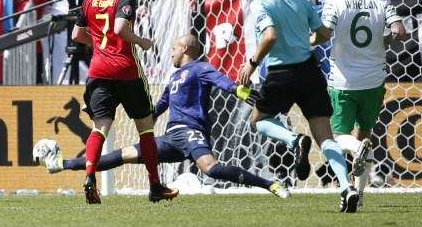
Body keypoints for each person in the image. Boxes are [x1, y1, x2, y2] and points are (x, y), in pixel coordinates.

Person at [41, 34, 291, 199]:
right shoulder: (173, 77)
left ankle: (270, 184)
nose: (170, 54)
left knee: (211, 169)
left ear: (185, 48)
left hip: (192, 132)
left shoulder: (201, 67)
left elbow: (223, 82)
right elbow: (157, 109)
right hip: (171, 136)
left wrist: (238, 90)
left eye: (173, 49)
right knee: (125, 154)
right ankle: (61, 164)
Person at [237, 0, 359, 213]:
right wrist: (305, 43)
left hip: (281, 73)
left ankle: (294, 140)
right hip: (309, 71)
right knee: (326, 139)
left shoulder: (260, 4)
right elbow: (325, 33)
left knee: (258, 121)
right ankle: (347, 187)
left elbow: (270, 36)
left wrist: (251, 63)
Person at [71, 0, 178, 204]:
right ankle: (154, 185)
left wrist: (97, 42)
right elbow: (119, 28)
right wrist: (142, 41)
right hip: (126, 70)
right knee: (146, 128)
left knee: (100, 128)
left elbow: (77, 34)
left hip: (98, 71)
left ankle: (89, 177)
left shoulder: (89, 0)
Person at [311, 0, 406, 207]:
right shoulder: (381, 1)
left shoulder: (335, 1)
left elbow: (324, 34)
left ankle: (354, 154)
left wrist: (307, 41)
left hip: (343, 80)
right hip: (374, 80)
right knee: (364, 136)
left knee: (338, 137)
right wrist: (383, 40)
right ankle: (359, 193)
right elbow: (400, 31)